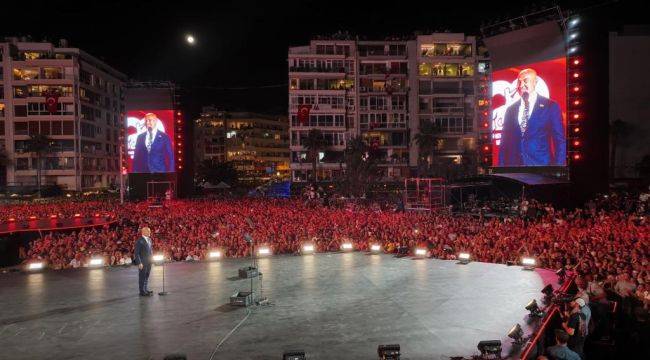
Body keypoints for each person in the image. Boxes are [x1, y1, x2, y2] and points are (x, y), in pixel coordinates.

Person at [498, 68, 566, 166]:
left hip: (542, 169)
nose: (521, 85)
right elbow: (504, 144)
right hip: (515, 171)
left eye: (525, 81)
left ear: (535, 82)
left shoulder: (550, 106)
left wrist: (557, 169)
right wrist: (502, 171)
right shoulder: (510, 110)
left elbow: (560, 141)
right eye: (519, 82)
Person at [134, 227, 154, 296]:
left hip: (149, 262)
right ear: (143, 232)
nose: (150, 233)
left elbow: (150, 251)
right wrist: (139, 263)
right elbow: (136, 253)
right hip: (143, 263)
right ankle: (142, 291)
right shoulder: (139, 241)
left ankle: (145, 289)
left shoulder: (149, 240)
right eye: (148, 231)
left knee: (146, 276)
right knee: (142, 276)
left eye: (150, 231)